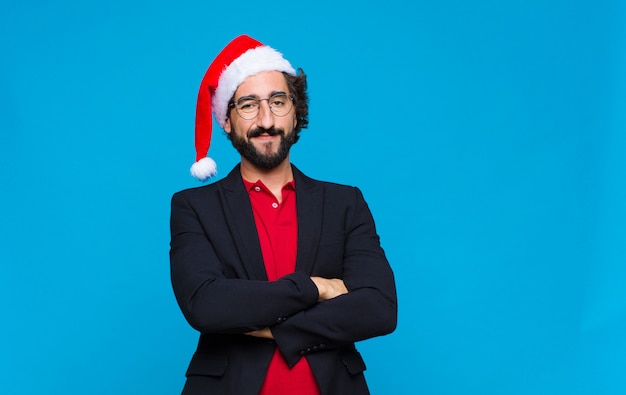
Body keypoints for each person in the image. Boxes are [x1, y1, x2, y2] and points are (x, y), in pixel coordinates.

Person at [169, 34, 397, 395]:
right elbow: (207, 306)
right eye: (247, 104)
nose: (266, 119)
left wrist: (273, 326)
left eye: (278, 101)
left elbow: (379, 308)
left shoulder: (345, 203)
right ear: (226, 120)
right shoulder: (194, 207)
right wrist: (315, 287)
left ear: (296, 112)